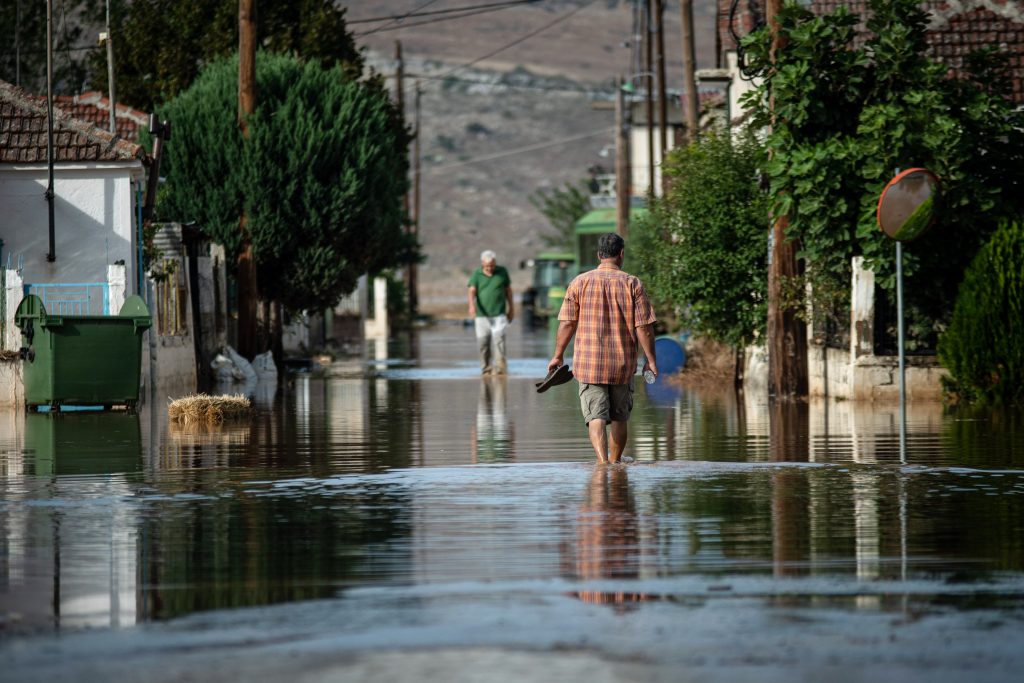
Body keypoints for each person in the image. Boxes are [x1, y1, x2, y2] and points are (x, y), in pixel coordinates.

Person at [548, 233, 657, 464]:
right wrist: (651, 359)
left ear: (598, 255)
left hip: (589, 364)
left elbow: (567, 323)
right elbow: (644, 328)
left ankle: (602, 463)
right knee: (619, 417)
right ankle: (615, 462)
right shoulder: (632, 283)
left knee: (595, 415)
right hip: (622, 363)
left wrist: (557, 356)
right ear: (622, 254)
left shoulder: (579, 282)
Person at [468, 249, 514, 375]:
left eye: (492, 265)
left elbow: (508, 291)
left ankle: (500, 369)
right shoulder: (476, 274)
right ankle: (486, 368)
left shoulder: (502, 272)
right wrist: (472, 306)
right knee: (483, 343)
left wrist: (511, 309)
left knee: (499, 341)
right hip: (482, 316)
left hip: (499, 314)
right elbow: (472, 291)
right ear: (482, 263)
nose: (490, 268)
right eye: (487, 266)